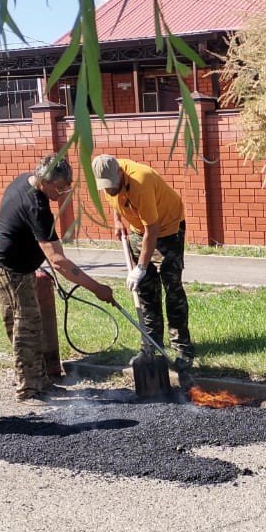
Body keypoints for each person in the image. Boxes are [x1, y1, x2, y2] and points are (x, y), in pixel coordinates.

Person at [0, 155, 114, 403]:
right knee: (26, 329)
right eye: (60, 187)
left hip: (20, 269)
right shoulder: (38, 207)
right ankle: (28, 389)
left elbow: (40, 244)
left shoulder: (25, 181)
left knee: (32, 326)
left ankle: (41, 381)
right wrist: (97, 288)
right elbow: (57, 260)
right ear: (46, 180)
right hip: (10, 271)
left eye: (67, 186)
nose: (64, 192)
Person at [91, 154, 194, 372]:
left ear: (120, 172)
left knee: (172, 288)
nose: (109, 190)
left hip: (167, 229)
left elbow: (153, 230)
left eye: (112, 184)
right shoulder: (109, 181)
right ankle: (150, 345)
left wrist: (140, 268)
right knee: (146, 291)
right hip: (140, 231)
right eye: (105, 187)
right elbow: (115, 200)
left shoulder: (141, 181)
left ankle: (183, 349)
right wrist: (118, 221)